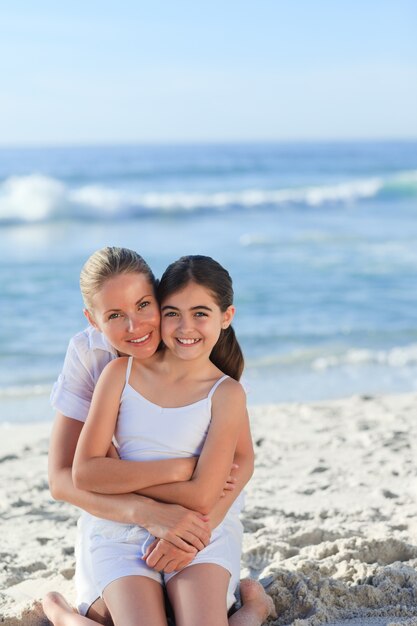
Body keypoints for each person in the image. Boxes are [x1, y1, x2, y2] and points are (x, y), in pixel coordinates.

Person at [42, 248, 274, 626]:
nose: (135, 327)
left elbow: (240, 461)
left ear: (157, 298)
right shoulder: (108, 367)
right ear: (93, 320)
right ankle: (64, 615)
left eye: (144, 306)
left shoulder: (211, 370)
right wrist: (182, 473)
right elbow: (69, 477)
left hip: (200, 517)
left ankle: (252, 609)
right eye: (115, 315)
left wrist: (196, 529)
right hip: (119, 520)